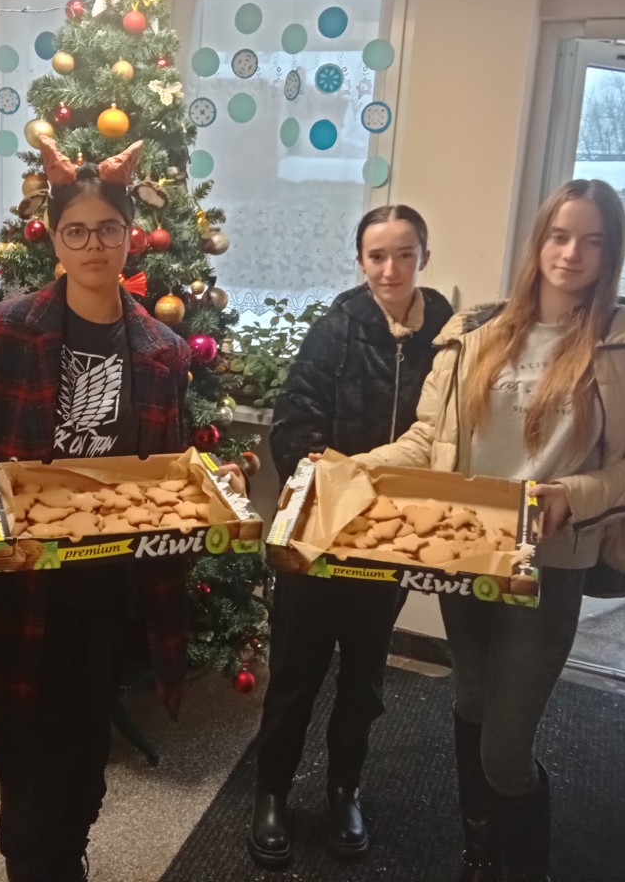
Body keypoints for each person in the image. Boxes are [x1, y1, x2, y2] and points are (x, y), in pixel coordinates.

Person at [0, 137, 243, 882]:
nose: (94, 244)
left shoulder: (163, 350)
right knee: (27, 773)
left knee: (85, 766)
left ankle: (67, 857)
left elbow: (166, 471)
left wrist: (209, 485)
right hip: (25, 589)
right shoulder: (7, 329)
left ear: (130, 236)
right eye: (77, 230)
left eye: (108, 229)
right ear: (55, 239)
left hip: (112, 594)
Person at [350, 179, 625, 882]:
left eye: (592, 241)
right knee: (470, 700)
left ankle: (523, 868)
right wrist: (346, 469)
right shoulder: (473, 333)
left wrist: (575, 494)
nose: (571, 254)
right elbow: (427, 440)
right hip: (466, 550)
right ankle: (480, 853)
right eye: (560, 236)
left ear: (611, 252)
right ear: (538, 241)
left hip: (550, 563)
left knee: (505, 749)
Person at [248, 205, 452, 868]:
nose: (390, 269)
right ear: (360, 260)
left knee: (363, 679)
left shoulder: (447, 333)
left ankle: (344, 790)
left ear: (424, 257)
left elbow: (448, 432)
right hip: (321, 531)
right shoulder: (335, 328)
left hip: (391, 537)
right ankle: (272, 792)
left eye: (404, 254)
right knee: (296, 672)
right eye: (376, 256)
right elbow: (294, 425)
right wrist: (330, 480)